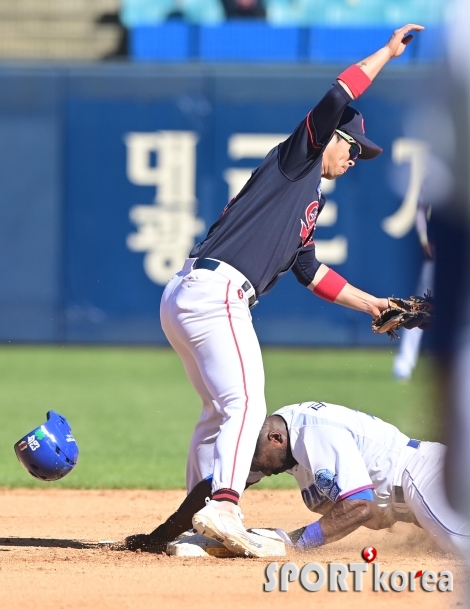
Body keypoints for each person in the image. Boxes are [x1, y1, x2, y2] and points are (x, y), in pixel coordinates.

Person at [160, 24, 425, 558]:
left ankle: (193, 524)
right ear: (332, 138)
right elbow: (337, 95)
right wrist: (386, 53)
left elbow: (311, 272)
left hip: (192, 294)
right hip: (216, 293)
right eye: (354, 148)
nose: (355, 160)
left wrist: (373, 304)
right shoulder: (298, 159)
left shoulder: (306, 205)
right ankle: (226, 507)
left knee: (218, 413)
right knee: (247, 402)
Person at [125, 400, 470, 557]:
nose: (259, 471)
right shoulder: (280, 442)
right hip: (415, 496)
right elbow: (213, 488)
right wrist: (159, 536)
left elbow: (360, 506)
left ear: (275, 439)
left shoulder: (310, 432)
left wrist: (294, 543)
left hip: (423, 476)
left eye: (255, 460)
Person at [393, 196, 434, 381]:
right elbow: (422, 206)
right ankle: (404, 363)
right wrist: (424, 237)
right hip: (446, 248)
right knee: (422, 308)